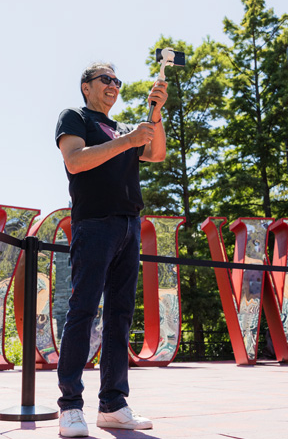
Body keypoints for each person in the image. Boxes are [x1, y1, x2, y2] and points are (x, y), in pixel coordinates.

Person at [54, 62, 168, 437]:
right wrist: (128, 141)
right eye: (106, 79)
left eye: (117, 81)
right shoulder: (75, 116)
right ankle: (70, 406)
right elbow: (75, 161)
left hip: (128, 224)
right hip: (94, 224)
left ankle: (113, 405)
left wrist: (156, 113)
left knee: (119, 316)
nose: (114, 85)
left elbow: (156, 154)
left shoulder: (123, 129)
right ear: (86, 86)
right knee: (83, 311)